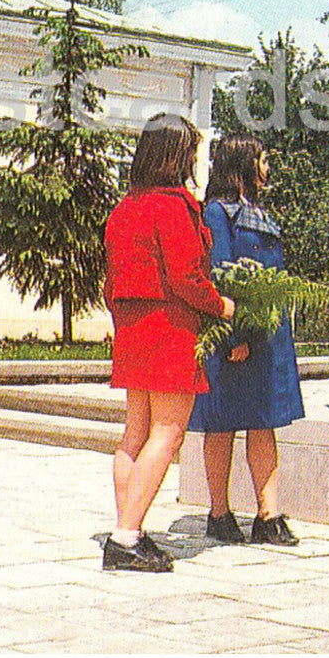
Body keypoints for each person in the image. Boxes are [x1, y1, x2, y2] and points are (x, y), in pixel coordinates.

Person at [102, 112, 236, 572]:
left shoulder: (124, 209)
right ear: (177, 156)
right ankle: (125, 538)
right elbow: (187, 275)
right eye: (192, 154)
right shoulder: (173, 208)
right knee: (168, 432)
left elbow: (111, 280)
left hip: (132, 327)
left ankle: (129, 530)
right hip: (170, 326)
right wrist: (220, 306)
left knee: (135, 433)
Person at [189, 134, 306, 547]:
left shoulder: (258, 212)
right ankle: (218, 514)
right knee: (220, 425)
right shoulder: (218, 215)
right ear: (241, 166)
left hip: (267, 338)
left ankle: (267, 515)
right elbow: (219, 272)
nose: (267, 168)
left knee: (264, 423)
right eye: (262, 160)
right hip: (232, 340)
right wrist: (234, 335)